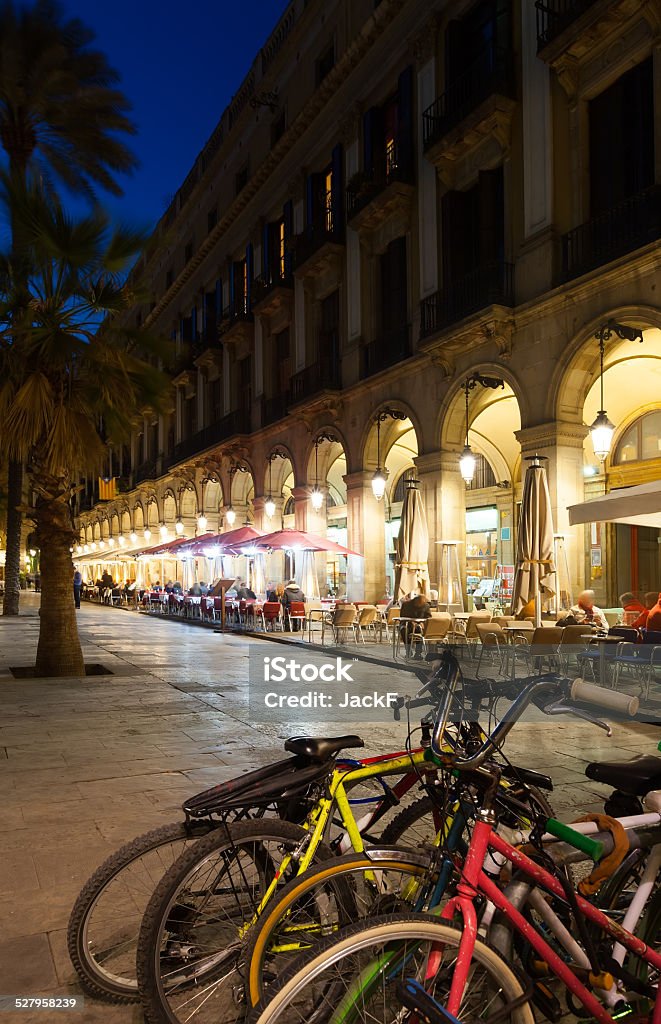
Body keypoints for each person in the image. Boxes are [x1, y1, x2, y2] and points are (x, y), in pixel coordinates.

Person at [399, 591, 431, 659]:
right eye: (419, 603)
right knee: (404, 631)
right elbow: (402, 617)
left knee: (420, 631)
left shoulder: (426, 606)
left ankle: (418, 653)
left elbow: (428, 617)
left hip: (419, 625)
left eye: (421, 604)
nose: (420, 605)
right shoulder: (406, 605)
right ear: (415, 600)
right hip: (407, 624)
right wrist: (411, 622)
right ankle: (408, 651)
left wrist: (423, 623)